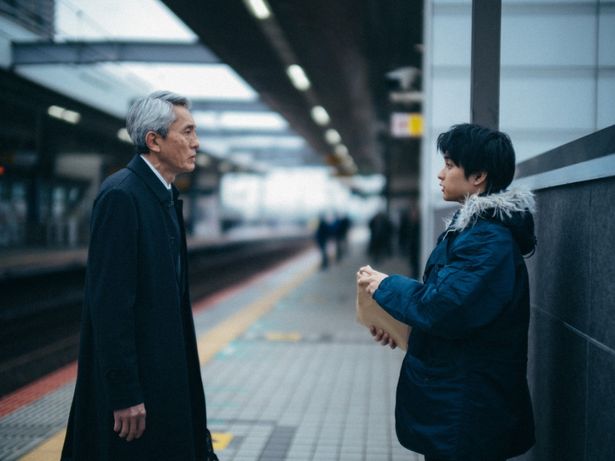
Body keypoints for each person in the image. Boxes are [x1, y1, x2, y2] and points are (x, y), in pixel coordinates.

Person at [358, 123, 536, 461]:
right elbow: (462, 310)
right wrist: (403, 327)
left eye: (450, 165)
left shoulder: (486, 241)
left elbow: (444, 307)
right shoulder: (473, 232)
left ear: (478, 176)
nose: (441, 174)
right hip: (462, 400)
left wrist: (385, 285)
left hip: (468, 407)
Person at [61, 91, 218, 461]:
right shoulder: (122, 196)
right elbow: (110, 306)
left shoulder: (162, 196)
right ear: (155, 141)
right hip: (139, 391)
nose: (197, 143)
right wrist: (125, 392)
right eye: (188, 131)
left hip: (163, 374)